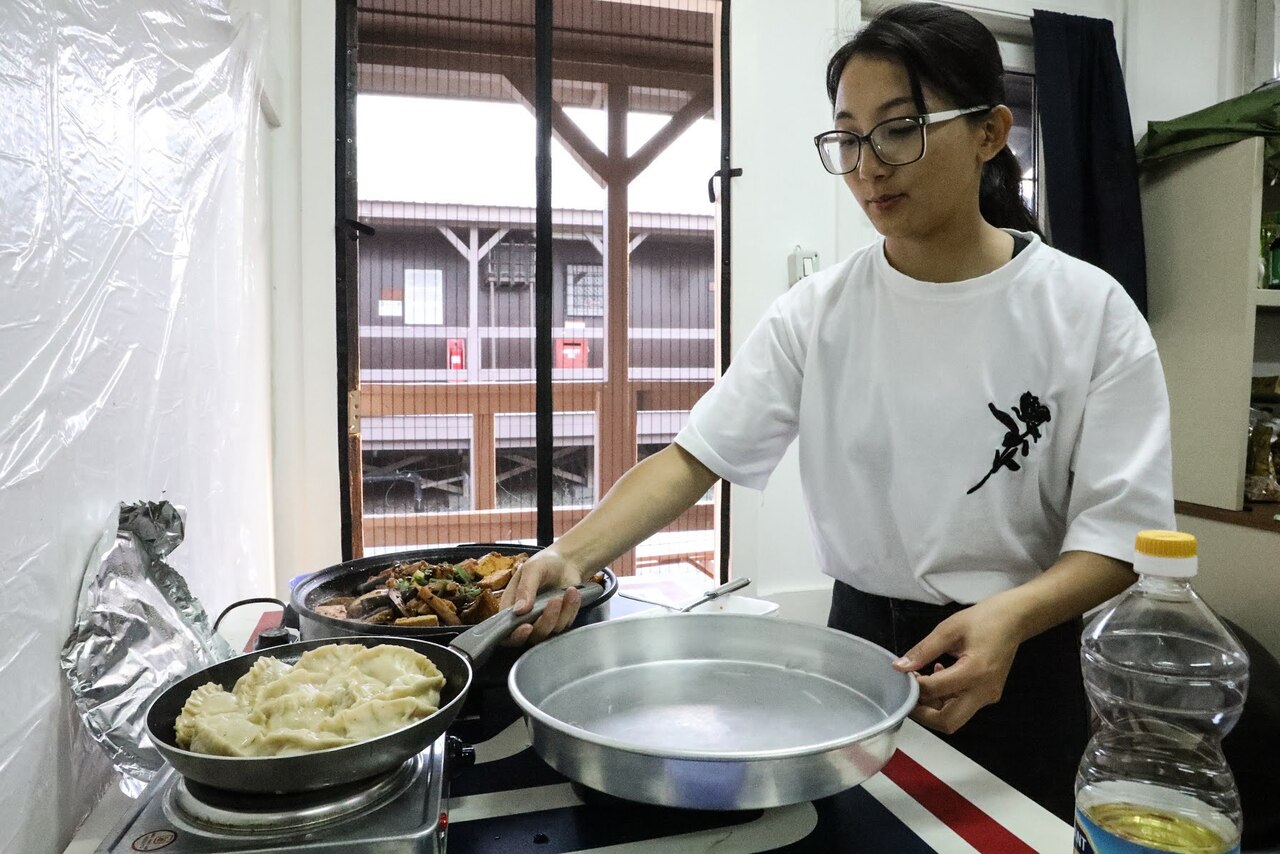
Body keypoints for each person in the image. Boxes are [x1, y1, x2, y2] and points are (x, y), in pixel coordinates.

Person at [499, 2, 1174, 822]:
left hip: (1020, 655)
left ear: (992, 133)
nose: (869, 167)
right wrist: (572, 553)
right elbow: (695, 455)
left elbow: (1118, 540)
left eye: (899, 130)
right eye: (848, 138)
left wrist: (1012, 616)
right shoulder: (818, 312)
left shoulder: (1089, 311)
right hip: (854, 652)